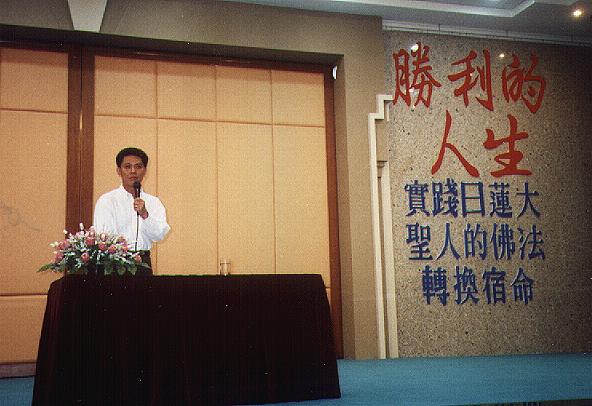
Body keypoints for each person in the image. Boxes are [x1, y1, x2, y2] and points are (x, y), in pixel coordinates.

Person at [93, 147, 170, 274]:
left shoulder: (154, 202)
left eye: (138, 167)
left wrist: (145, 214)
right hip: (113, 262)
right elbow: (103, 235)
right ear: (119, 171)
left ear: (145, 171)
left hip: (142, 262)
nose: (133, 171)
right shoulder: (107, 200)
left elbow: (159, 235)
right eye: (127, 167)